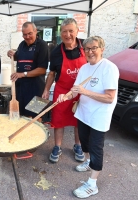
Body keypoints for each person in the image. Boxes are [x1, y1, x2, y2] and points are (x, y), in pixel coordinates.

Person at [57, 36, 119, 198]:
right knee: (84, 141)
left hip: (99, 116)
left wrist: (85, 92)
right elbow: (75, 90)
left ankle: (92, 184)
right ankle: (88, 161)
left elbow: (109, 97)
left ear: (102, 49)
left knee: (96, 148)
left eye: (94, 48)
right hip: (84, 113)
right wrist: (65, 96)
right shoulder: (84, 68)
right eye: (87, 49)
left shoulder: (109, 68)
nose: (90, 52)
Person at [42, 18, 86, 163]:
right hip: (62, 91)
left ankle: (78, 145)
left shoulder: (86, 47)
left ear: (77, 31)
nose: (67, 35)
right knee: (58, 120)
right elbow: (52, 73)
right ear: (60, 33)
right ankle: (57, 146)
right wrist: (46, 90)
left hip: (81, 91)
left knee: (79, 120)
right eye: (64, 31)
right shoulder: (55, 52)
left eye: (71, 31)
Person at [7, 22, 49, 118]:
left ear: (35, 31)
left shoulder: (42, 45)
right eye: (25, 34)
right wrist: (11, 54)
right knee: (22, 118)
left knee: (36, 119)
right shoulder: (22, 44)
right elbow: (18, 57)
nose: (27, 37)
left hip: (37, 90)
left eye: (30, 33)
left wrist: (22, 74)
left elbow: (42, 70)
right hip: (21, 89)